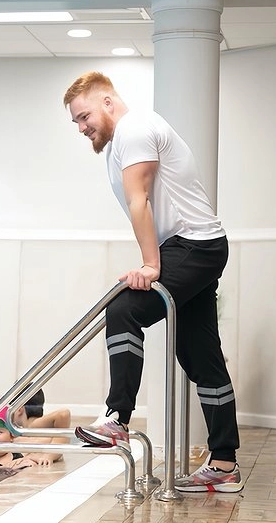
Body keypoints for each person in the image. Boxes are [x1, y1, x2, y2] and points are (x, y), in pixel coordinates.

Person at [63, 71, 243, 493]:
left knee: (124, 309)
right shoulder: (117, 144)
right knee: (199, 356)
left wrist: (150, 265)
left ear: (107, 102)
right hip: (192, 247)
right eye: (76, 122)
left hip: (194, 245)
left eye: (84, 116)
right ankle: (224, 464)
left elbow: (139, 198)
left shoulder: (135, 128)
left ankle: (117, 419)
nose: (82, 127)